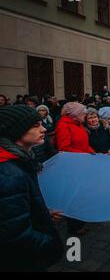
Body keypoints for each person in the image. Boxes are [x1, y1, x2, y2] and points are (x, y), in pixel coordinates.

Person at [0, 105, 63, 271]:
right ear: (16, 131)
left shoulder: (20, 161)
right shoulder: (10, 174)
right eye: (36, 125)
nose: (43, 129)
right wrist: (50, 243)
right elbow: (14, 234)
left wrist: (42, 212)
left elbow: (10, 212)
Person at [55, 102, 93, 235]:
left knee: (82, 194)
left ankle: (81, 219)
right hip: (72, 167)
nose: (85, 115)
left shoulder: (78, 124)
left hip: (82, 163)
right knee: (74, 196)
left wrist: (92, 152)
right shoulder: (63, 126)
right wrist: (85, 155)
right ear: (74, 115)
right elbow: (64, 148)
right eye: (83, 112)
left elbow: (83, 144)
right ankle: (74, 226)